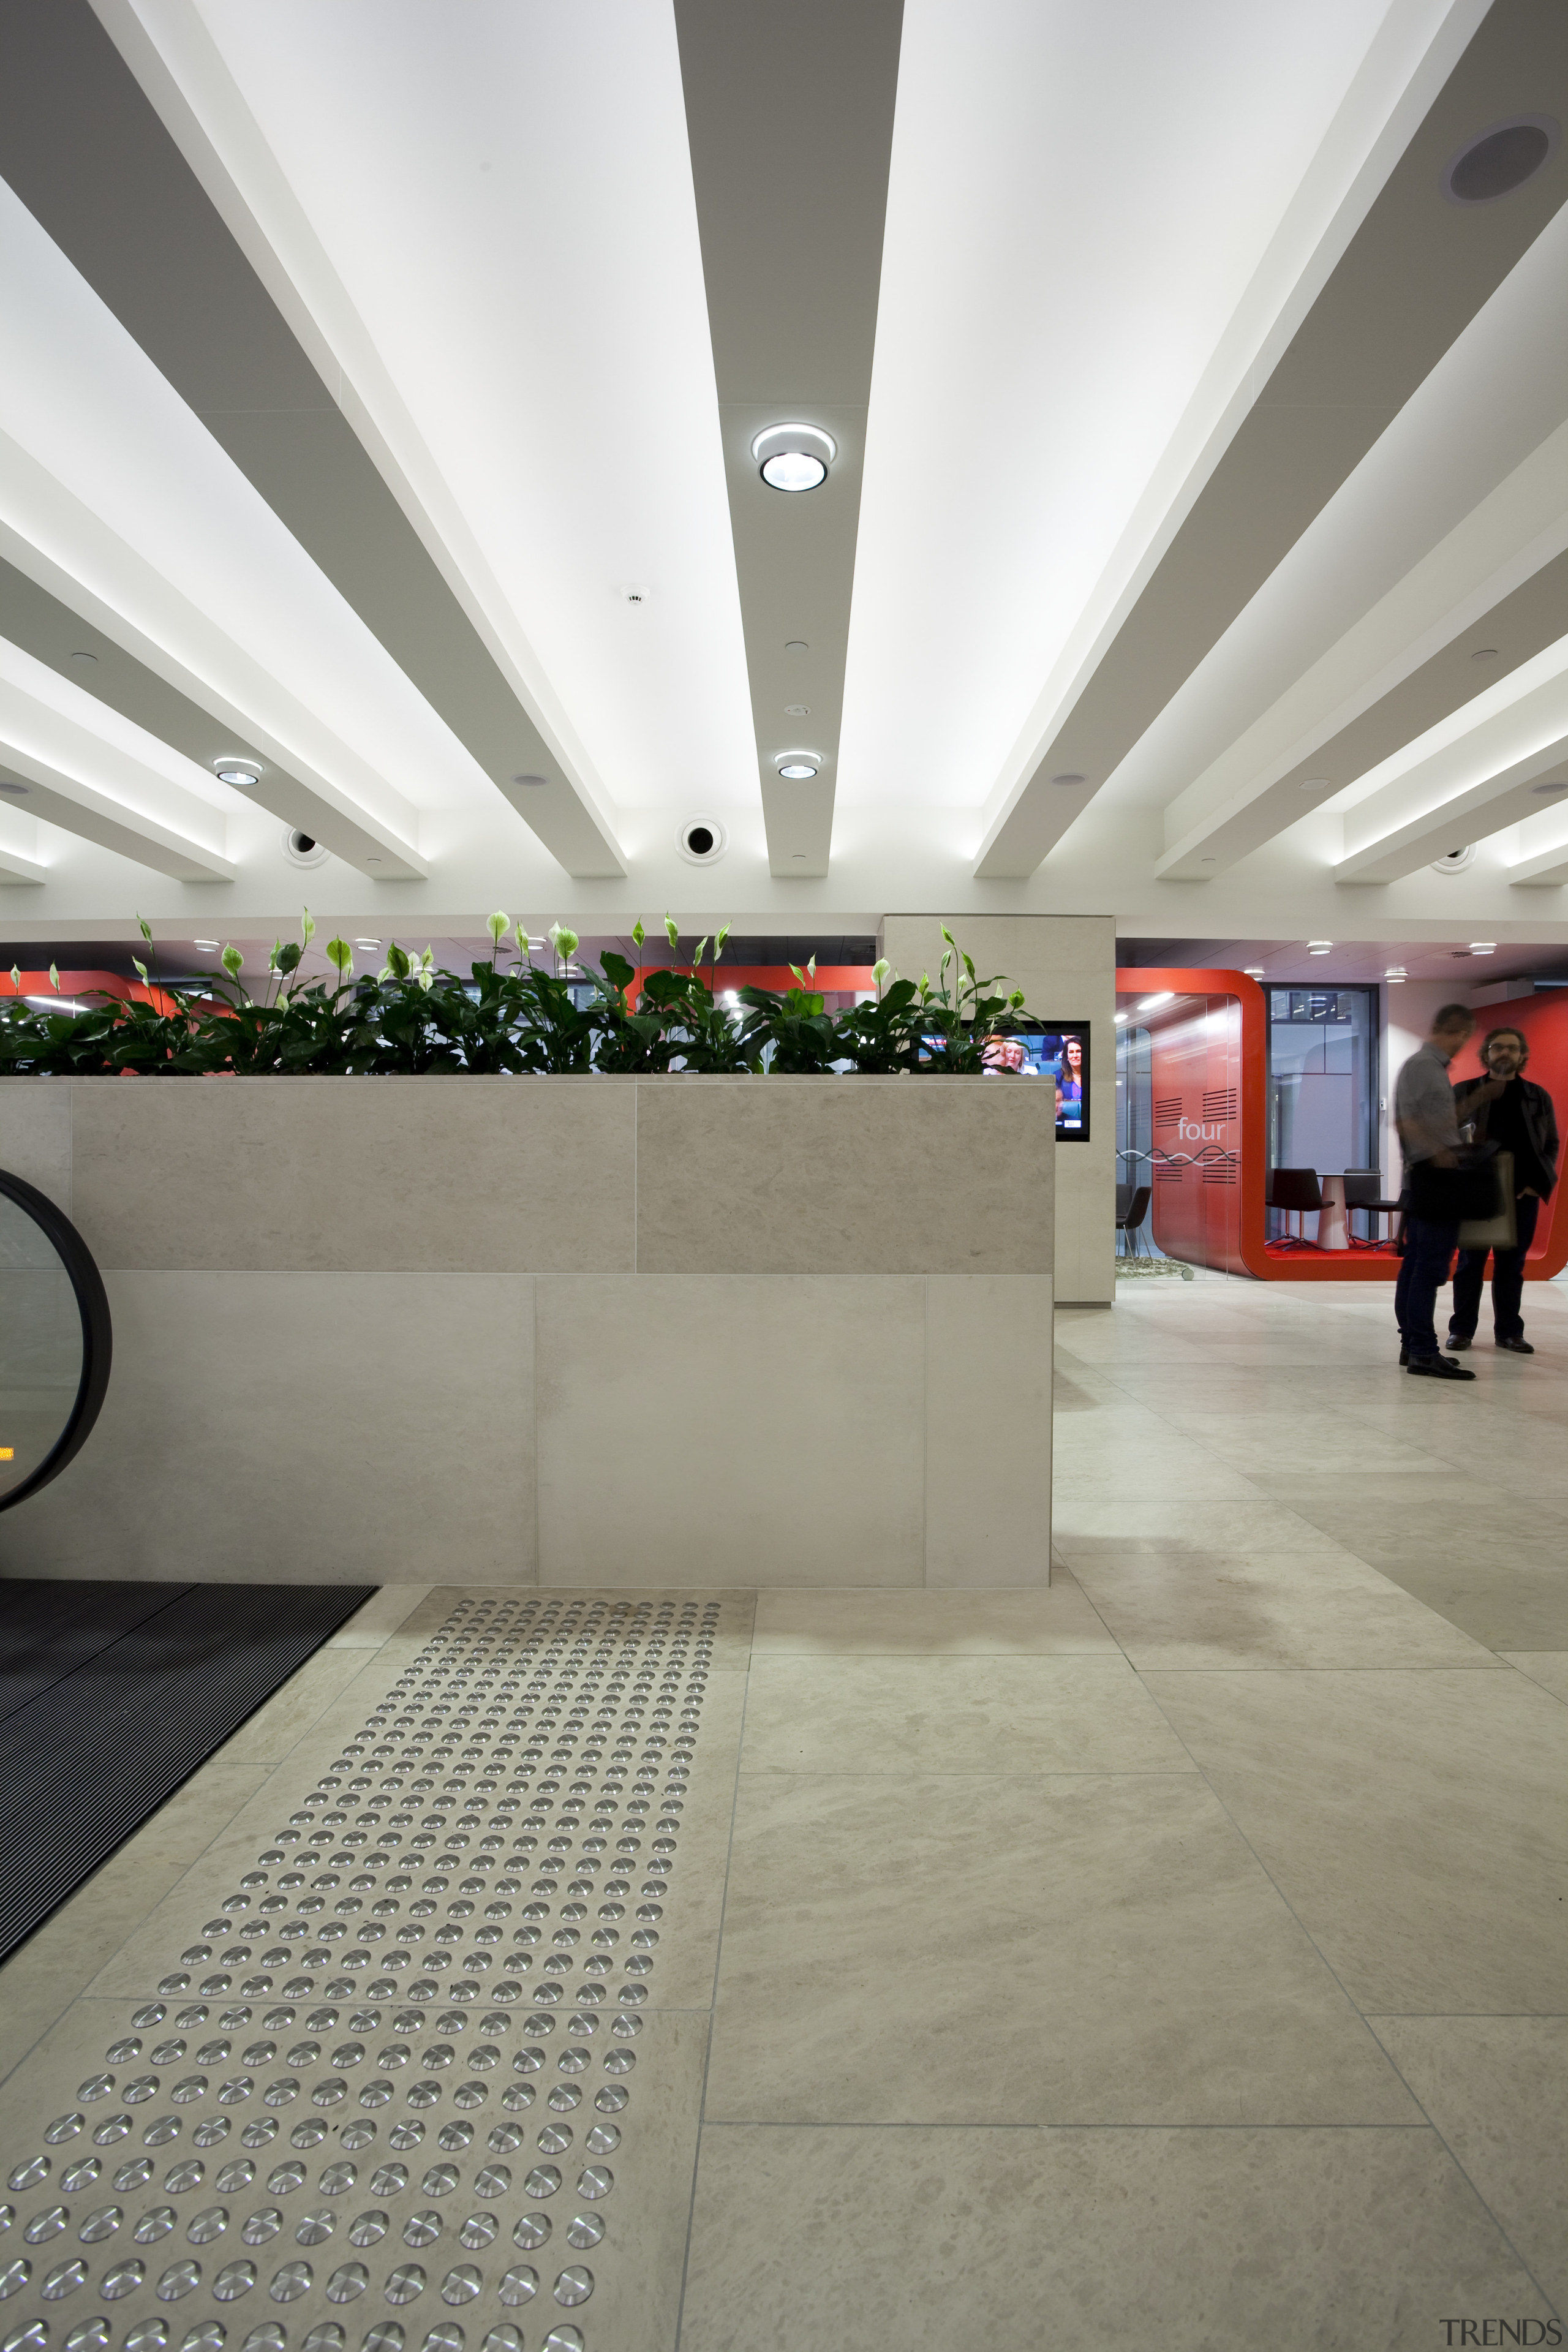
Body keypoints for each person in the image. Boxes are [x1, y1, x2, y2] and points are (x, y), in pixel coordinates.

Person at [1393, 1004, 1503, 1381]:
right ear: (1457, 1033)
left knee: (1418, 1264)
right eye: (1464, 1038)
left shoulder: (1424, 1067)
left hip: (1426, 1177)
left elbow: (1438, 1120)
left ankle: (1413, 1345)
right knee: (1430, 1268)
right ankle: (1423, 1350)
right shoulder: (1425, 1066)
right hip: (1435, 1180)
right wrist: (1439, 1153)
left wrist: (1477, 1099)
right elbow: (1407, 1123)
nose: (1462, 1046)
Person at [1447, 1025, 1558, 1355]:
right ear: (1487, 1054)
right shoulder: (1465, 1091)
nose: (1505, 1053)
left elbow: (1551, 1143)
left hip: (1522, 1192)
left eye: (1512, 1048)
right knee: (1470, 1264)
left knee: (1513, 1265)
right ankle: (1461, 1331)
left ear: (1522, 1055)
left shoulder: (1537, 1096)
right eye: (1498, 1047)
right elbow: (1447, 1138)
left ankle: (1510, 1332)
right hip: (1477, 1191)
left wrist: (1538, 1185)